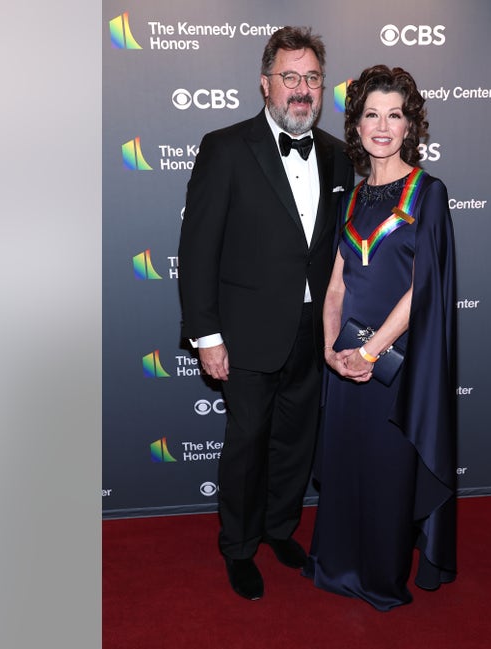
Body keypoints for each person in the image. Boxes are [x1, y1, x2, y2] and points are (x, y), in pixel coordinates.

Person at [177, 26, 355, 601]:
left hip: (312, 333)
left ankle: (280, 529)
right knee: (247, 444)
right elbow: (198, 249)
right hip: (246, 332)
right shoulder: (225, 147)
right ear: (264, 83)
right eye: (289, 77)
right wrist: (207, 335)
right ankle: (238, 546)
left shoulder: (335, 154)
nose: (301, 89)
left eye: (311, 78)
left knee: (295, 443)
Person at [303, 65, 458, 611]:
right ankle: (337, 565)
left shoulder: (428, 193)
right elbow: (337, 284)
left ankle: (378, 577)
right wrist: (331, 350)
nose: (383, 126)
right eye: (372, 114)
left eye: (395, 114)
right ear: (358, 124)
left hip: (395, 363)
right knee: (347, 463)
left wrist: (369, 352)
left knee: (389, 469)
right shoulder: (352, 195)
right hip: (346, 359)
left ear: (412, 124)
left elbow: (424, 290)